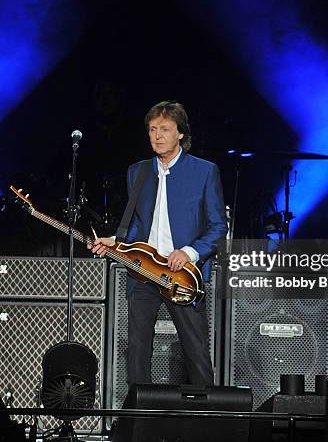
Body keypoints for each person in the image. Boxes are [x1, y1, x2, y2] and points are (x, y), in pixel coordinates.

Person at [89, 100, 227, 386]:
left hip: (182, 275)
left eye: (165, 129)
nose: (157, 135)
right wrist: (114, 241)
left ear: (180, 134)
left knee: (196, 351)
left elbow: (217, 228)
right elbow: (140, 224)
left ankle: (208, 420)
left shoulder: (204, 171)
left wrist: (189, 253)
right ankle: (138, 420)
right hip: (143, 272)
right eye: (152, 129)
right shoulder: (137, 172)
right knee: (137, 351)